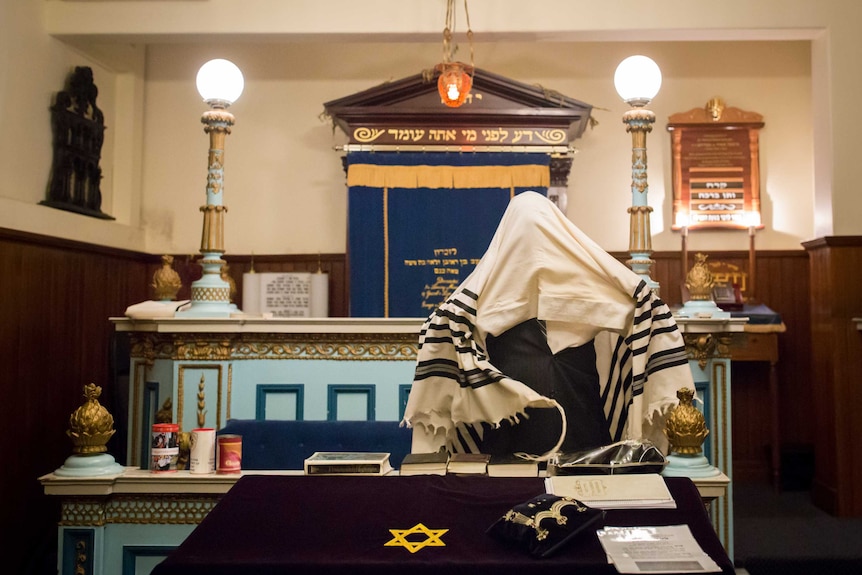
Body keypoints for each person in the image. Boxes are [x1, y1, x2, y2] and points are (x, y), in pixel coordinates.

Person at [402, 191, 693, 459]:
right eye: (524, 237)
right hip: (507, 454)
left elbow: (640, 311)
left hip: (586, 445)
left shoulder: (590, 293)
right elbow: (449, 327)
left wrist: (644, 301)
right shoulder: (481, 302)